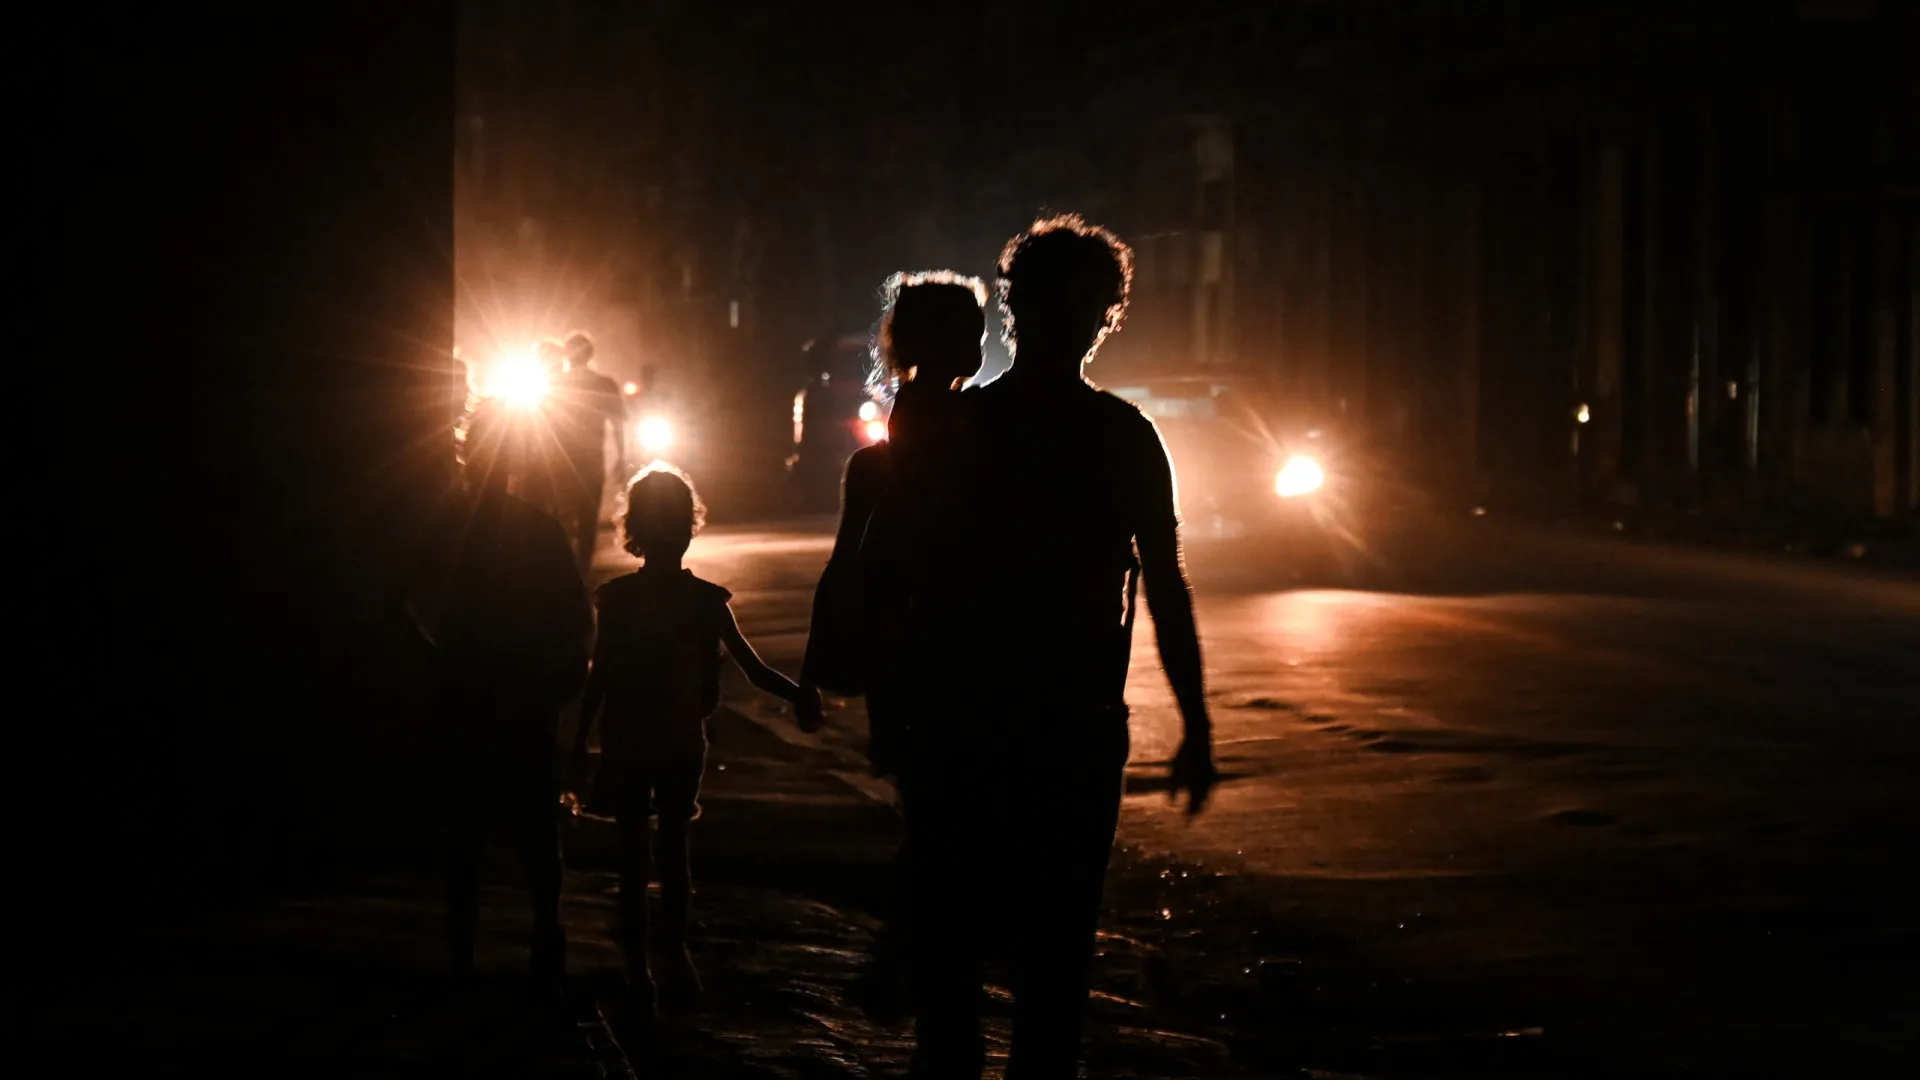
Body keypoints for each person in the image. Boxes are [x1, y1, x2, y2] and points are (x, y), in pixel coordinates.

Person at [888, 215, 1218, 1079]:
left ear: (1011, 311)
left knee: (951, 965)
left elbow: (896, 575)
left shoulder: (958, 432)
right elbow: (1167, 588)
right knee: (1054, 967)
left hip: (961, 725)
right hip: (1069, 730)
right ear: (1106, 318)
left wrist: (896, 710)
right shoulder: (1124, 437)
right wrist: (1196, 723)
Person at [798, 270, 990, 1024]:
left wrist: (816, 671)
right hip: (958, 661)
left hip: (904, 668)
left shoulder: (882, 457)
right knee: (954, 823)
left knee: (933, 815)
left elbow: (843, 568)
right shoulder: (984, 440)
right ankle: (918, 963)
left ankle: (914, 961)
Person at [569, 464, 824, 1024]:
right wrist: (803, 695)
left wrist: (576, 750)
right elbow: (755, 671)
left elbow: (600, 679)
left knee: (634, 859)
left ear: (633, 529)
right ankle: (675, 954)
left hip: (629, 740)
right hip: (683, 741)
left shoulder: (617, 600)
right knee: (674, 853)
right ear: (689, 528)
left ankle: (640, 971)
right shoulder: (706, 601)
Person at [403, 404, 594, 991]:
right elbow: (575, 617)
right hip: (524, 700)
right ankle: (546, 938)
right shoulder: (539, 529)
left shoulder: (441, 524)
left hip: (464, 696)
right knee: (537, 834)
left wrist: (434, 661)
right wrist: (560, 682)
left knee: (464, 837)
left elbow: (405, 601)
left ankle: (462, 954)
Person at [547, 331, 630, 573]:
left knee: (561, 513)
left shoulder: (555, 384)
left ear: (567, 355)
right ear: (590, 354)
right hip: (592, 460)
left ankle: (562, 565)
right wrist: (622, 457)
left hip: (560, 459)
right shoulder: (604, 384)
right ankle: (582, 566)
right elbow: (618, 424)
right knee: (588, 516)